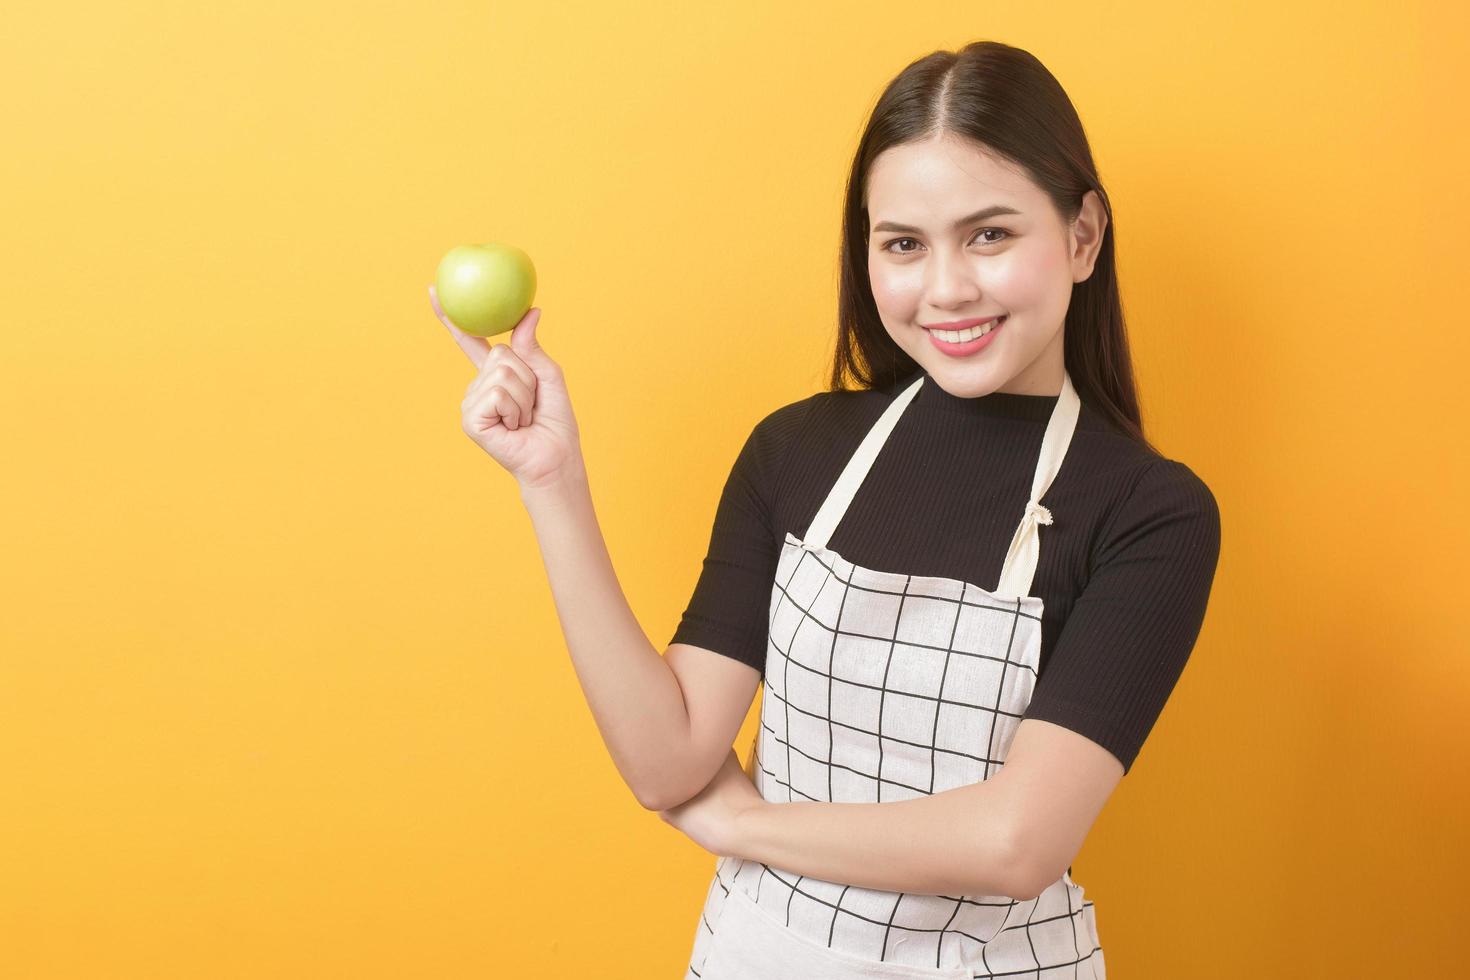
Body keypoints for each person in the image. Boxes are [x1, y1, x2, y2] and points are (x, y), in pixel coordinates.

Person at [431, 38, 1220, 980]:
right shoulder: (796, 451)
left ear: (1083, 236)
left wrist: (743, 823)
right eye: (903, 245)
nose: (945, 289)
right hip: (756, 954)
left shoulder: (1149, 512)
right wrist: (550, 482)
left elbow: (1018, 842)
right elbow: (669, 757)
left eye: (990, 234)